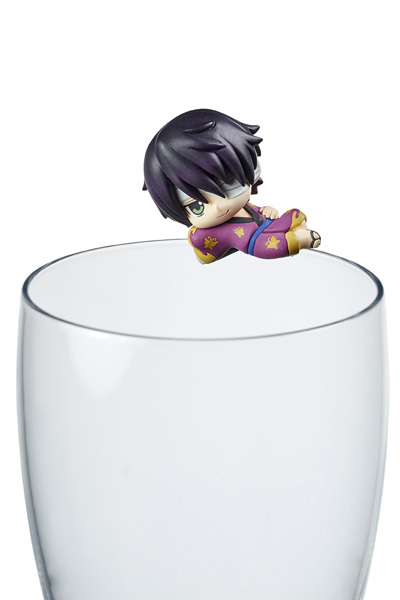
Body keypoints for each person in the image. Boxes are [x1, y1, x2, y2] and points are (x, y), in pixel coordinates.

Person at [143, 109, 320, 264]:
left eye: (229, 184)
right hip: (254, 241)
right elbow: (259, 247)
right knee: (271, 241)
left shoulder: (240, 209)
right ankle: (297, 236)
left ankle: (296, 229)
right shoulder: (222, 231)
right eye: (196, 207)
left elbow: (256, 213)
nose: (218, 207)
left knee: (294, 215)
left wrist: (267, 210)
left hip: (263, 229)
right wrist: (298, 241)